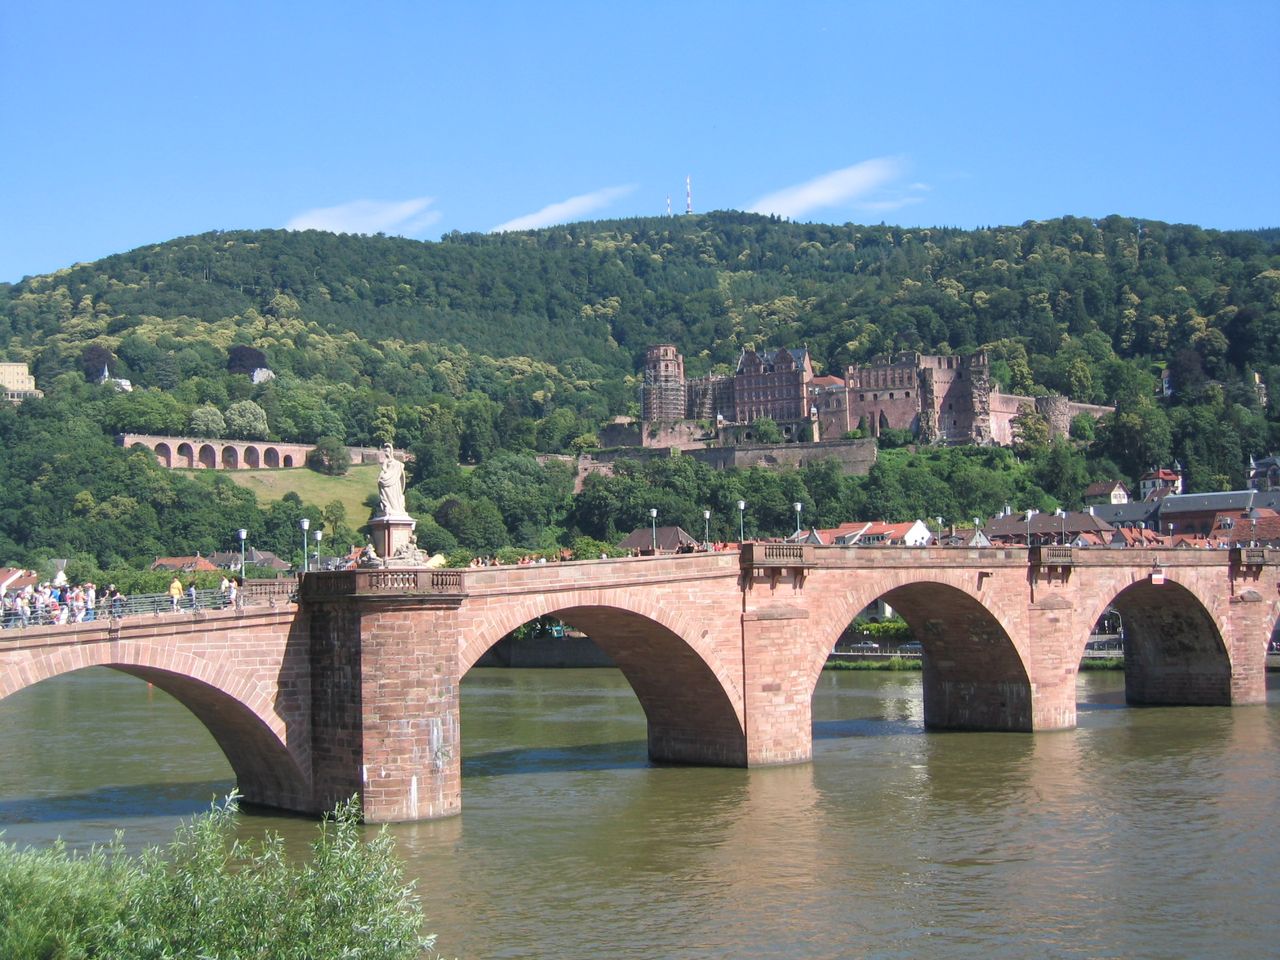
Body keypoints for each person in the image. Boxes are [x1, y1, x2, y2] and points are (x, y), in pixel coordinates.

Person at [377, 443, 407, 516]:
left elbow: (401, 471)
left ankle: (395, 508)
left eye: (387, 451)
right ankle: (388, 507)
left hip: (394, 482)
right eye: (385, 451)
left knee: (394, 495)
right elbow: (384, 469)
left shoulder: (396, 463)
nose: (386, 453)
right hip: (387, 479)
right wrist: (382, 476)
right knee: (385, 492)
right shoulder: (386, 461)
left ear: (391, 452)